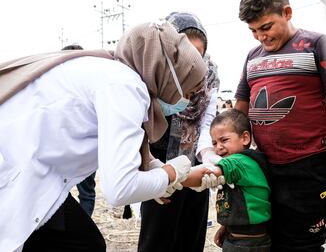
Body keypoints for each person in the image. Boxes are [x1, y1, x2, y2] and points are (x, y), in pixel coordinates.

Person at [0, 20, 207, 252]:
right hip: (18, 173)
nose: (186, 101)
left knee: (83, 242)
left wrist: (157, 178)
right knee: (84, 244)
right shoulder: (125, 86)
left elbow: (126, 157)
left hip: (34, 174)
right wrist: (170, 173)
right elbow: (120, 189)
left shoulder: (110, 71)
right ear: (168, 76)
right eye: (187, 91)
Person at [234, 0, 326, 251]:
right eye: (253, 31)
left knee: (303, 243)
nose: (261, 37)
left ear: (287, 13)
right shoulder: (252, 57)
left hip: (308, 168)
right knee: (267, 239)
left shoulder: (317, 45)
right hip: (262, 168)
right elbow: (239, 111)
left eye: (266, 27)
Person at [138, 11, 222, 252]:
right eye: (186, 55)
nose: (193, 64)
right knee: (158, 238)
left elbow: (207, 120)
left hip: (194, 164)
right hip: (158, 162)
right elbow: (140, 125)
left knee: (191, 236)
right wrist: (149, 166)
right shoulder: (150, 70)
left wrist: (207, 154)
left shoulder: (210, 75)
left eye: (199, 55)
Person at [183, 109, 272, 251]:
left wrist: (171, 178)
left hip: (246, 245)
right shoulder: (245, 163)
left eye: (224, 140)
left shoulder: (239, 162)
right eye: (214, 143)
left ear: (245, 138)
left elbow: (206, 174)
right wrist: (226, 227)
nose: (218, 147)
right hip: (241, 237)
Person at [61, 44, 97, 217]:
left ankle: (75, 227)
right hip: (87, 148)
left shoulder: (58, 86)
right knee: (86, 193)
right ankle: (84, 225)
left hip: (69, 148)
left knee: (59, 191)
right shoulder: (89, 85)